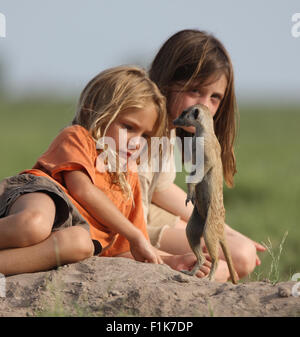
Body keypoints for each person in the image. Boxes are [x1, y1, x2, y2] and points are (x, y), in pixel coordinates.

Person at [0, 65, 208, 276]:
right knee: (34, 224)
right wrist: (134, 234)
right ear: (95, 111)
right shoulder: (79, 137)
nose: (136, 142)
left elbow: (127, 248)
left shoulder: (129, 181)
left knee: (80, 244)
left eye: (145, 136)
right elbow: (82, 189)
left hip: (70, 230)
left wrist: (170, 260)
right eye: (128, 127)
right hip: (42, 194)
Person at [138, 29, 266, 282]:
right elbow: (130, 213)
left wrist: (228, 230)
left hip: (146, 213)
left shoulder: (168, 131)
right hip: (134, 222)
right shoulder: (137, 132)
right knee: (240, 256)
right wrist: (161, 255)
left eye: (215, 97)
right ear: (167, 81)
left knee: (240, 249)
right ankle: (189, 283)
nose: (204, 106)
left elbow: (160, 189)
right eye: (195, 91)